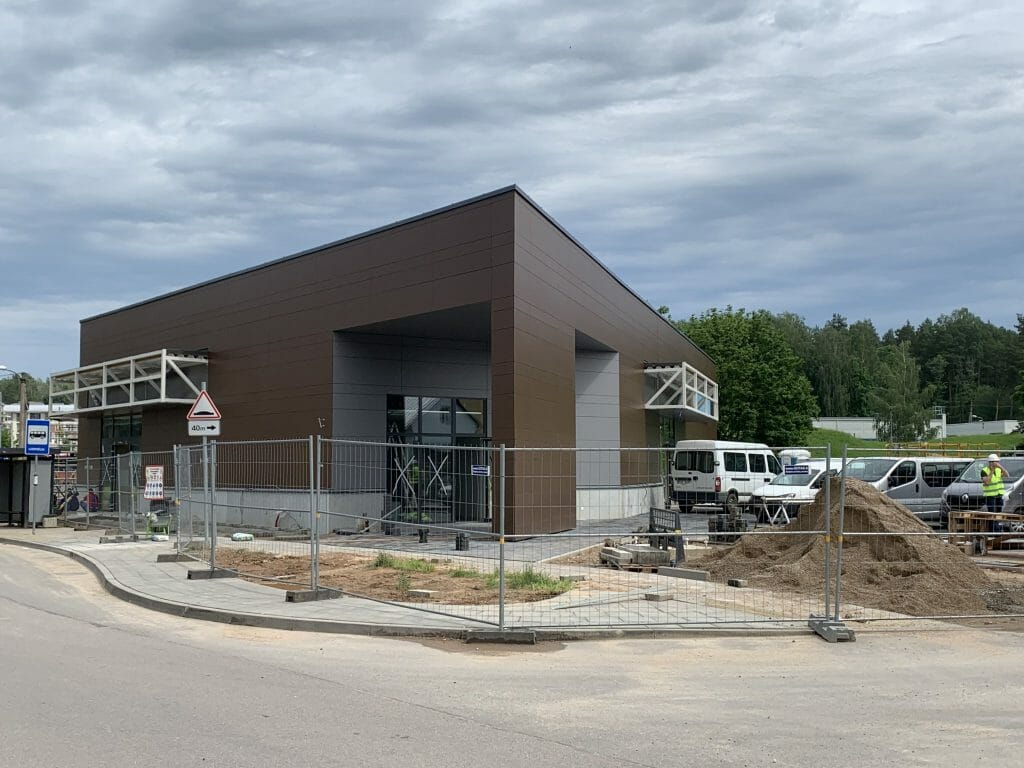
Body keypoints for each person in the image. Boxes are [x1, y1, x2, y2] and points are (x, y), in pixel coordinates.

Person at [981, 454, 1011, 531]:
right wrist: (992, 471)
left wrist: (1000, 467)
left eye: (997, 462)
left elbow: (1007, 475)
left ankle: (997, 530)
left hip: (999, 495)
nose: (997, 463)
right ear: (990, 462)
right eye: (995, 462)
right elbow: (987, 482)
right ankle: (993, 532)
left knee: (998, 514)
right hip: (990, 496)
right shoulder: (984, 470)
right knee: (992, 514)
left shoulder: (998, 470)